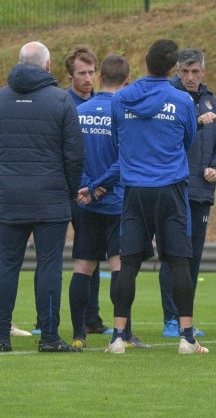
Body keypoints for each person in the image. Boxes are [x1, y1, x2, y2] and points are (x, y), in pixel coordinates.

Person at [107, 39, 207, 355]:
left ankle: (118, 336)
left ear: (146, 61)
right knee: (179, 260)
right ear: (172, 68)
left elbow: (116, 137)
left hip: (135, 189)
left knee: (128, 263)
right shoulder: (182, 101)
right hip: (171, 190)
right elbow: (188, 139)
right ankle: (186, 338)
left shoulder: (121, 98)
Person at [0, 42, 84, 353]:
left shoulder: (1, 99)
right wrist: (70, 191)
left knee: (6, 264)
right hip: (50, 196)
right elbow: (75, 156)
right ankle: (49, 335)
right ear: (48, 66)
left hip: (8, 196)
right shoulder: (61, 100)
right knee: (49, 266)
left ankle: (1, 336)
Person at [69, 55, 150, 350]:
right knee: (120, 266)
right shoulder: (125, 113)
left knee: (82, 267)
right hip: (117, 202)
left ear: (100, 78)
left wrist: (86, 187)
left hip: (86, 202)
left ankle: (78, 335)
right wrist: (100, 186)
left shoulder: (79, 111)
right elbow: (125, 158)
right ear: (127, 80)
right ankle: (124, 333)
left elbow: (72, 156)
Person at [158, 49, 216, 338]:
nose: (189, 77)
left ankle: (185, 318)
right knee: (173, 256)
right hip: (172, 189)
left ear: (203, 72)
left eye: (195, 71)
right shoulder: (167, 99)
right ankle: (171, 319)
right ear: (177, 70)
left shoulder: (213, 103)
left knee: (193, 259)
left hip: (200, 192)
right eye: (184, 72)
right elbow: (160, 139)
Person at [63, 44, 108, 336]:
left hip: (99, 191)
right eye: (82, 73)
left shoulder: (101, 106)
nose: (88, 78)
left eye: (92, 72)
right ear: (70, 75)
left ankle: (92, 319)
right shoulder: (63, 104)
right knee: (73, 258)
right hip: (69, 189)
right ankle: (48, 319)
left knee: (94, 255)